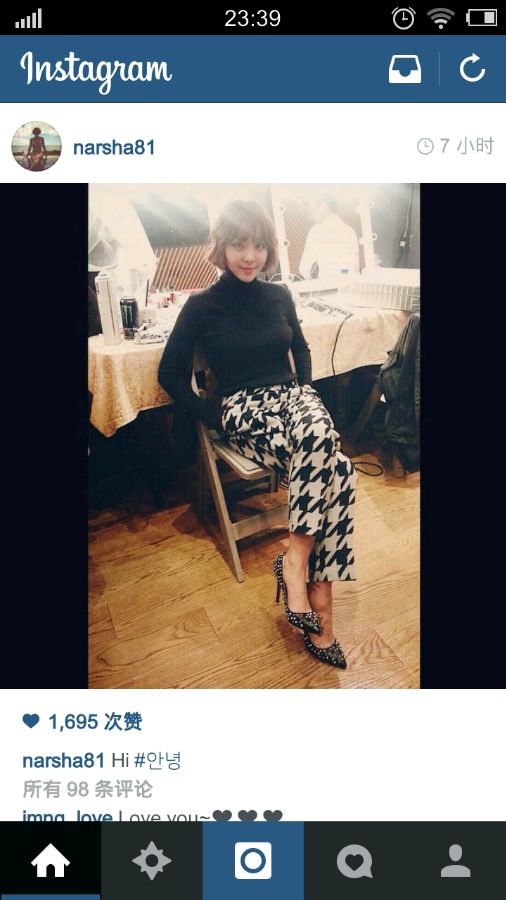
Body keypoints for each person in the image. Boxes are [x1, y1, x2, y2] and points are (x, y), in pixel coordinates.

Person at [158, 199, 356, 669]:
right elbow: (169, 373)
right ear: (221, 246)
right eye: (239, 244)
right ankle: (319, 602)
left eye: (259, 246)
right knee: (339, 466)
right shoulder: (201, 306)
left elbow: (301, 349)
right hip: (242, 408)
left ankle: (297, 566)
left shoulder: (280, 295)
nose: (250, 256)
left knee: (330, 453)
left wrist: (305, 391)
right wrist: (211, 413)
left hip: (292, 399)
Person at [299, 193, 360, 280]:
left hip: (323, 286)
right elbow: (353, 268)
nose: (310, 211)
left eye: (310, 206)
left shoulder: (316, 231)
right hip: (348, 285)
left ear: (323, 205)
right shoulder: (350, 231)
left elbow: (305, 268)